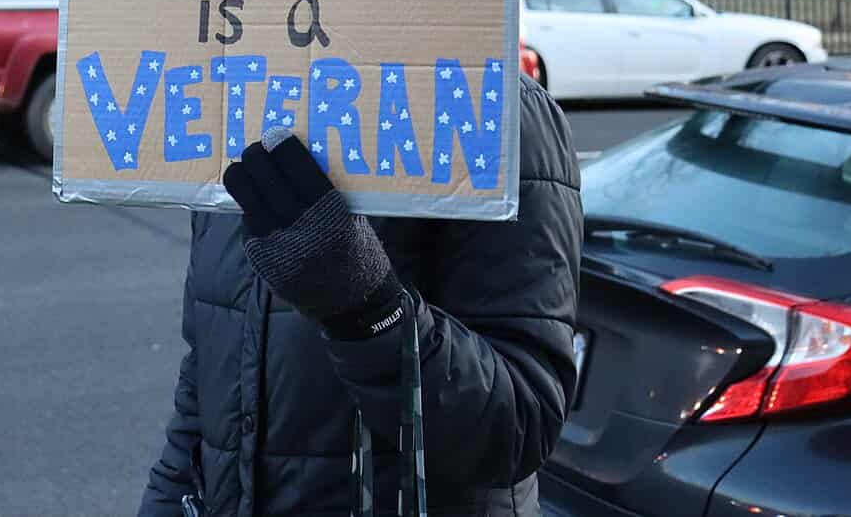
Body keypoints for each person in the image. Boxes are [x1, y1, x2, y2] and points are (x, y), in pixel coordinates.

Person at [138, 72, 583, 516]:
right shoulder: (234, 102)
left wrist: (364, 307)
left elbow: (519, 427)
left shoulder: (493, 104)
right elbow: (202, 392)